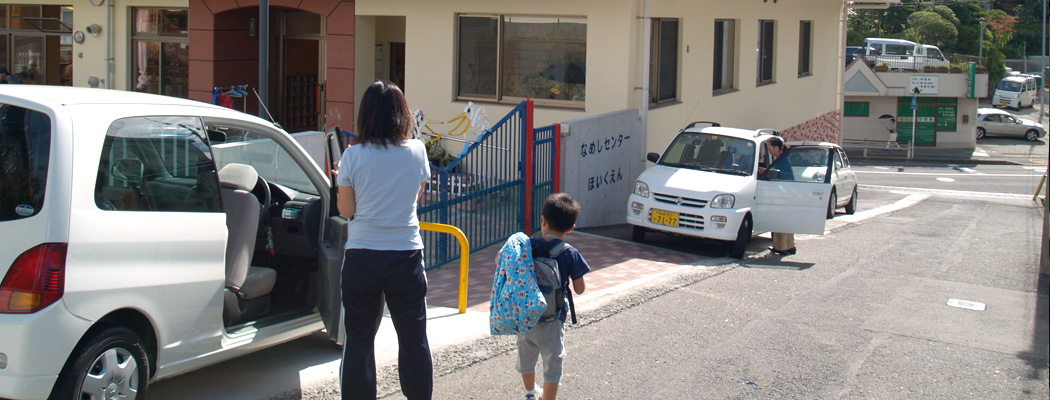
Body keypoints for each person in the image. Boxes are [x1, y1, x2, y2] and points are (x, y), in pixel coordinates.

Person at [336, 81, 433, 399]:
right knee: (413, 338)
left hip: (362, 256)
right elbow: (415, 198)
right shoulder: (417, 152)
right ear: (402, 115)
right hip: (405, 255)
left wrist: (343, 183)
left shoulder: (352, 156)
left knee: (359, 340)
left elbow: (347, 210)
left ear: (365, 115)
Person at [517, 193, 591, 400]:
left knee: (526, 359)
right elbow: (579, 289)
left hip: (525, 317)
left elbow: (502, 261)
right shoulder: (570, 253)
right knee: (553, 363)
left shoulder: (528, 245)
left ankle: (531, 393)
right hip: (552, 320)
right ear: (571, 228)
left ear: (543, 220)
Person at [762, 137, 797, 256]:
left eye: (770, 148)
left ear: (776, 148)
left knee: (780, 221)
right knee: (787, 222)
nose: (769, 151)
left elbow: (780, 175)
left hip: (783, 195)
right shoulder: (784, 159)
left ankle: (781, 247)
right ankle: (790, 246)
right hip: (787, 194)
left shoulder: (782, 160)